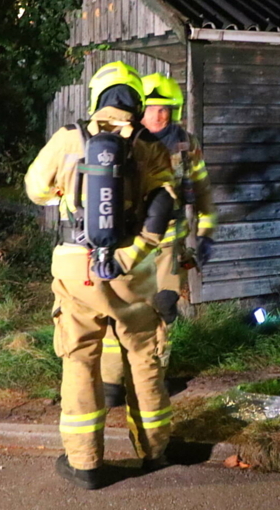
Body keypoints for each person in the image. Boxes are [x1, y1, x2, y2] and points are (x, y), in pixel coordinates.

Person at [25, 61, 176, 490]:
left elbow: (36, 189)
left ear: (96, 97)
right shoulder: (149, 145)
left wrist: (64, 190)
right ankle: (155, 451)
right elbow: (164, 203)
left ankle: (86, 464)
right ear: (137, 102)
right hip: (131, 271)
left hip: (77, 268)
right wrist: (132, 255)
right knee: (143, 358)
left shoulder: (68, 137)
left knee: (80, 360)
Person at [101, 72, 218, 407]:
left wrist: (206, 234)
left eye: (168, 109)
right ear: (141, 109)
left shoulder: (186, 144)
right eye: (155, 108)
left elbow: (202, 190)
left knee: (163, 309)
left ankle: (153, 381)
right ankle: (111, 385)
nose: (162, 116)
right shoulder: (122, 140)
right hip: (129, 245)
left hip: (167, 246)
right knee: (118, 312)